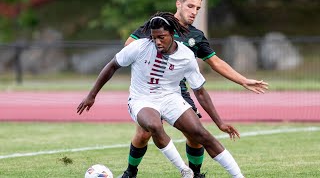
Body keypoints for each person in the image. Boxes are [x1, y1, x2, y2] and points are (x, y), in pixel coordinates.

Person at [77, 12, 245, 178]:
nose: (157, 41)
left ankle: (239, 176)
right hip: (141, 100)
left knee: (202, 135)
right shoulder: (140, 46)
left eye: (161, 37)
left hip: (171, 99)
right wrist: (92, 95)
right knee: (154, 126)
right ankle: (185, 171)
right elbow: (112, 65)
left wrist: (219, 122)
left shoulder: (186, 56)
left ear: (172, 34)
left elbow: (200, 92)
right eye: (153, 37)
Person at [121, 0, 268, 177]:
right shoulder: (158, 25)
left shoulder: (195, 36)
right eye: (190, 6)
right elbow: (129, 45)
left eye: (198, 8)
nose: (194, 12)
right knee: (144, 133)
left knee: (194, 134)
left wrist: (242, 80)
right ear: (178, 3)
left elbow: (215, 62)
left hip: (178, 91)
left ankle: (195, 173)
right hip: (149, 89)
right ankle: (130, 172)